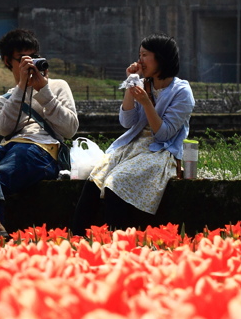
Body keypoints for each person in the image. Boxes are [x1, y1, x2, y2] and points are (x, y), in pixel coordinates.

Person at [71, 35, 195, 234]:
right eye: (139, 55)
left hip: (160, 152)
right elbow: (127, 123)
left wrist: (146, 103)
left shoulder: (182, 91)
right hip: (132, 146)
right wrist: (130, 85)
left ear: (161, 58)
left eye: (145, 55)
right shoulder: (144, 84)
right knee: (94, 183)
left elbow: (163, 135)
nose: (140, 61)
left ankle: (119, 244)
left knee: (115, 184)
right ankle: (76, 239)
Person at [0, 28, 79, 235]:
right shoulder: (0, 100)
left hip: (43, 151)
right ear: (9, 61)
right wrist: (21, 88)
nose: (32, 62)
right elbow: (3, 128)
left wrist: (43, 91)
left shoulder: (57, 86)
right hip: (10, 150)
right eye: (25, 58)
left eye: (35, 57)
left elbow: (70, 129)